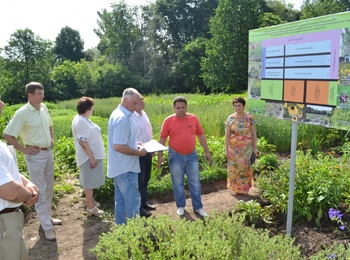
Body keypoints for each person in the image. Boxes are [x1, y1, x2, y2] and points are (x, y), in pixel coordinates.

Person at [2, 82, 61, 241]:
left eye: (43, 93)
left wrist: (52, 138)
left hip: (47, 152)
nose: (42, 96)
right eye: (39, 94)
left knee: (49, 187)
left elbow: (49, 125)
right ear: (30, 95)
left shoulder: (44, 108)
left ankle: (46, 219)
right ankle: (47, 228)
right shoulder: (22, 113)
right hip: (35, 155)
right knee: (40, 189)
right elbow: (8, 135)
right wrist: (23, 149)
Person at [157, 96, 212, 217]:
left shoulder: (193, 119)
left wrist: (207, 152)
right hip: (175, 155)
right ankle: (180, 206)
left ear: (186, 107)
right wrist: (159, 156)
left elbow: (201, 135)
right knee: (178, 182)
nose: (181, 110)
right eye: (178, 108)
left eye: (183, 107)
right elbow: (162, 139)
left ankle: (198, 207)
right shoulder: (168, 121)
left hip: (191, 155)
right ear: (174, 108)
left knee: (195, 182)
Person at [0, 98, 40, 259]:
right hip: (4, 222)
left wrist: (29, 184)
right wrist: (29, 194)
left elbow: (8, 173)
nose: (2, 104)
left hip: (9, 221)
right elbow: (10, 192)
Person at [107, 88, 147, 225]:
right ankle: (134, 236)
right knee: (132, 205)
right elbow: (118, 146)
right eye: (134, 103)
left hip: (121, 168)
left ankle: (123, 234)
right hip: (126, 170)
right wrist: (139, 152)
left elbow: (122, 141)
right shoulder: (122, 118)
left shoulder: (120, 114)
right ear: (125, 100)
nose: (136, 107)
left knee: (121, 204)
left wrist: (135, 143)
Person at [72, 97, 105, 217]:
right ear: (88, 109)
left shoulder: (83, 119)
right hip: (88, 158)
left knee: (91, 181)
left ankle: (90, 200)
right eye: (92, 108)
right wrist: (91, 157)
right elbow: (83, 142)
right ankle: (91, 208)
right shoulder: (81, 122)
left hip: (91, 156)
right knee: (89, 183)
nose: (92, 110)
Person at [225, 97, 258, 196]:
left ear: (244, 106)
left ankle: (245, 190)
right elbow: (227, 135)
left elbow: (253, 134)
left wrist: (255, 148)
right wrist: (226, 150)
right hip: (234, 149)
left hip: (247, 149)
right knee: (234, 169)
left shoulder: (250, 118)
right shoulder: (230, 118)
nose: (237, 107)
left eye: (239, 105)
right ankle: (236, 189)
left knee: (246, 169)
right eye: (235, 106)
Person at [131, 96, 155, 218]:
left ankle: (144, 202)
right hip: (139, 153)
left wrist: (152, 147)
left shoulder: (144, 114)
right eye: (138, 101)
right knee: (139, 181)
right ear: (134, 103)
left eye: (142, 100)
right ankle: (139, 208)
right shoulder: (131, 117)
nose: (141, 102)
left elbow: (148, 132)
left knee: (146, 179)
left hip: (148, 151)